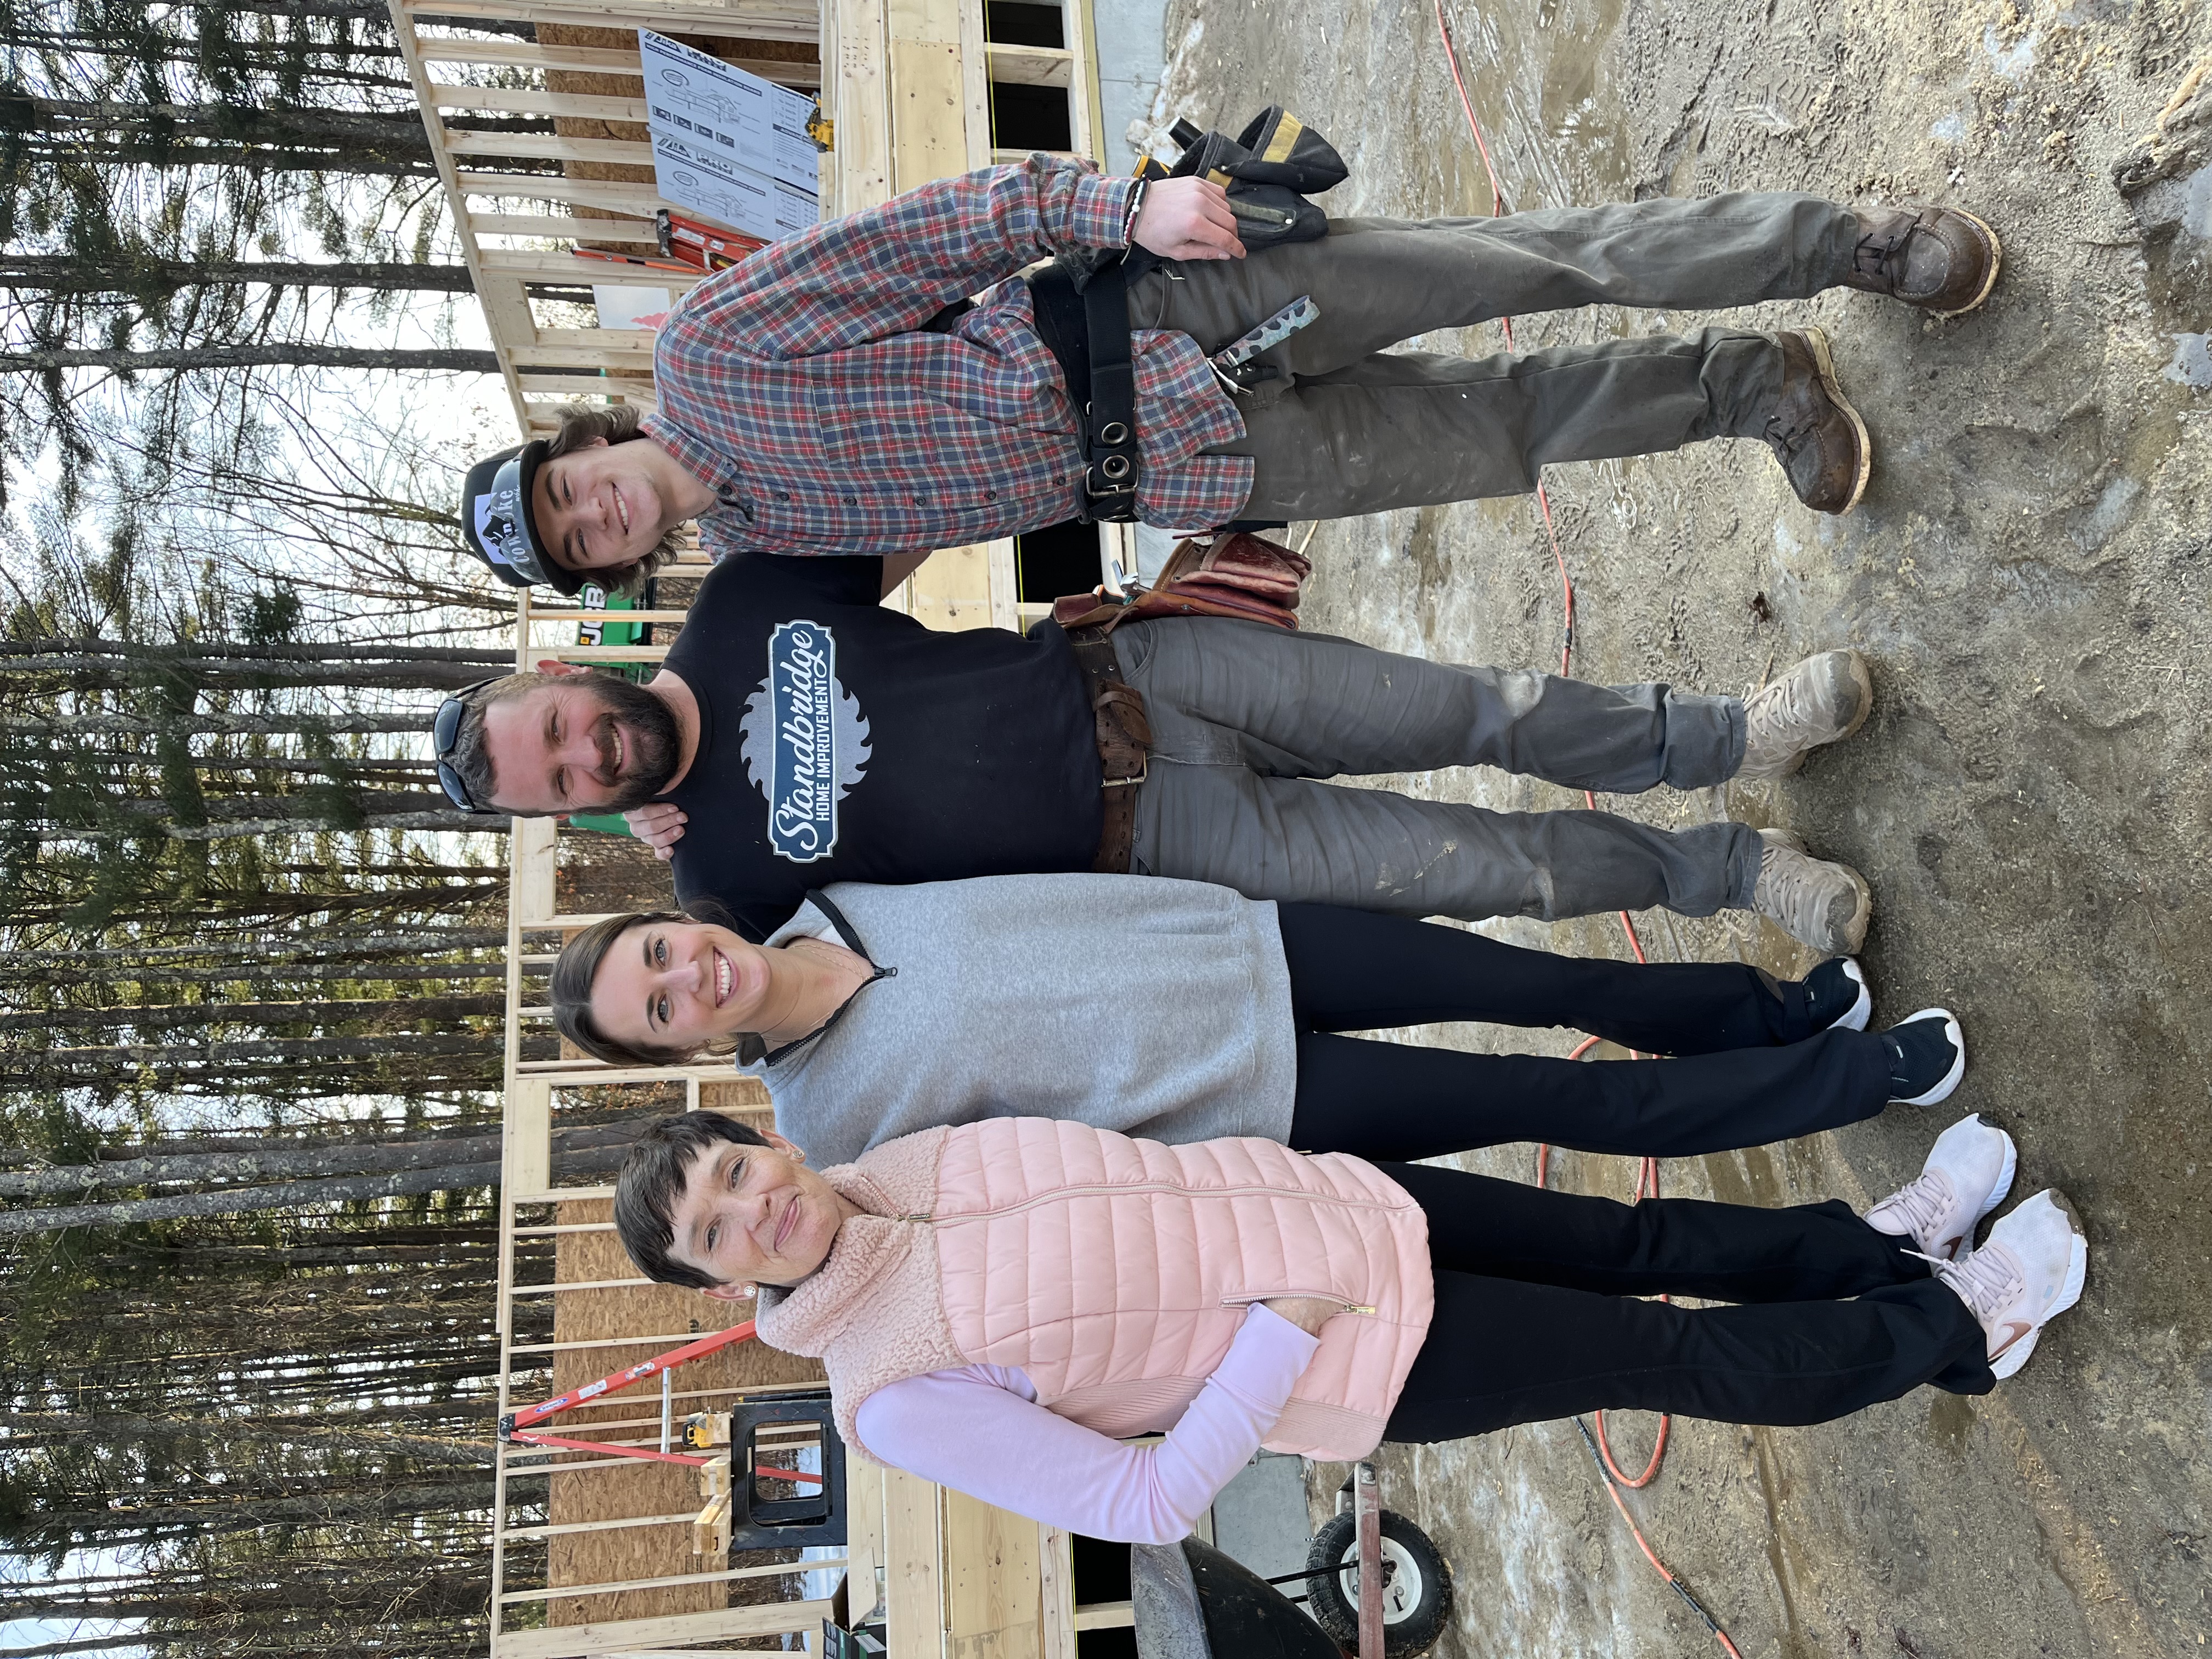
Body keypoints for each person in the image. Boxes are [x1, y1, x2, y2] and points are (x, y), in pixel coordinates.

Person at [450, 155, 2001, 593]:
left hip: (1163, 319)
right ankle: (1752, 389)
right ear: (618, 561)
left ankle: (1845, 244)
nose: (593, 509)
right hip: (1184, 473)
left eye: (565, 486)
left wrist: (1127, 212)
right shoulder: (760, 544)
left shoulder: (710, 351)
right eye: (583, 538)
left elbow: (934, 235)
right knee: (1497, 434)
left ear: (578, 444)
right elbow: (891, 564)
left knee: (1524, 264)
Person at [607, 1109, 2085, 1544]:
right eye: (718, 1232)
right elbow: (1142, 1500)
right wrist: (1281, 1333)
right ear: (719, 1284)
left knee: (1639, 1236)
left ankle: (1879, 1250)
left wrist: (1291, 1190)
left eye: (740, 1170)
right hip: (1362, 1350)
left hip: (1353, 1211)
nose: (757, 1211)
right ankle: (1957, 1327)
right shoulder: (886, 1395)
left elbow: (1139, 1176)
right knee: (1664, 1349)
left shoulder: (901, 1163)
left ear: (764, 1143)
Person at [430, 549, 1881, 953]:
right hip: (1164, 849)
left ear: (560, 671)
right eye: (554, 785)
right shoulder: (717, 896)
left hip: (1148, 671)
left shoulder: (742, 599)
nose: (581, 756)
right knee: (1484, 867)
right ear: (562, 817)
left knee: (1473, 707)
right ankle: (1732, 869)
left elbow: (911, 500)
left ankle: (1734, 733)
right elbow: (827, 998)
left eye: (551, 730)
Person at [545, 875, 1968, 1170]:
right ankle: (1851, 1083)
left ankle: (1786, 1014)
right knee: (1561, 1105)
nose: (690, 980)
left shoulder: (829, 887)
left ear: (681, 921)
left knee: (1546, 986)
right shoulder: (824, 1126)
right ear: (674, 1053)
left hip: (1247, 942)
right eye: (658, 1010)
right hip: (1252, 1102)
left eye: (661, 953)